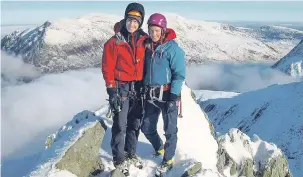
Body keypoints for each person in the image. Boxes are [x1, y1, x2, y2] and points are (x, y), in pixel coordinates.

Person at [101, 2, 148, 176]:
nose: (132, 24)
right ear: (125, 19)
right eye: (130, 19)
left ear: (140, 22)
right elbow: (107, 68)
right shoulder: (114, 42)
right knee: (120, 124)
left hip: (138, 87)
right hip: (121, 88)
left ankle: (130, 152)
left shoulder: (144, 40)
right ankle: (119, 160)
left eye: (136, 21)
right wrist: (112, 90)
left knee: (135, 123)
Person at [141, 13, 186, 176]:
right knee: (146, 127)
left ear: (163, 30)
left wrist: (173, 96)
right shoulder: (147, 47)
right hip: (151, 95)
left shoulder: (173, 49)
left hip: (167, 95)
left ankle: (168, 159)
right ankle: (159, 148)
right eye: (151, 30)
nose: (154, 34)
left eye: (157, 30)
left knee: (170, 130)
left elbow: (179, 74)